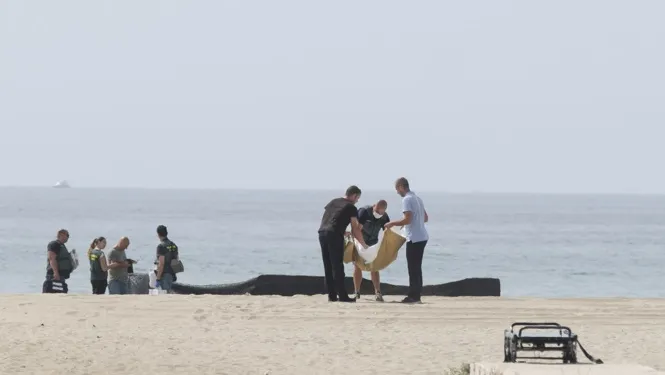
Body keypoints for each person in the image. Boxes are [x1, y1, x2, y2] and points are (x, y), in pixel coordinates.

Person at [318, 185, 369, 303]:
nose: (357, 201)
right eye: (357, 198)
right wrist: (363, 244)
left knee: (328, 265)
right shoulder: (351, 207)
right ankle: (342, 296)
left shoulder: (333, 202)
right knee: (337, 266)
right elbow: (355, 228)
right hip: (334, 235)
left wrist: (341, 231)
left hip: (322, 233)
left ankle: (331, 295)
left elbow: (330, 219)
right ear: (354, 195)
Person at [385, 177, 429, 303]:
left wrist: (392, 223)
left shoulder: (407, 199)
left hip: (414, 238)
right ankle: (417, 294)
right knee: (417, 266)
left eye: (397, 189)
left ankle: (413, 296)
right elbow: (425, 218)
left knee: (413, 267)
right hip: (422, 236)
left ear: (401, 187)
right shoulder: (418, 198)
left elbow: (408, 219)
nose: (397, 192)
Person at [352, 200, 390, 302]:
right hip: (360, 240)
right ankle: (357, 292)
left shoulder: (384, 216)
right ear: (374, 206)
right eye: (376, 211)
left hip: (373, 241)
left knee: (375, 267)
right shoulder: (364, 212)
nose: (377, 214)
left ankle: (378, 292)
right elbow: (356, 229)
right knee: (357, 265)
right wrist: (362, 244)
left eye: (380, 212)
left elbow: (387, 231)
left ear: (384, 211)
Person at [43, 229, 73, 294]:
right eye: (67, 235)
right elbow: (51, 258)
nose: (68, 237)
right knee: (51, 292)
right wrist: (55, 273)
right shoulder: (54, 244)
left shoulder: (62, 245)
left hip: (61, 275)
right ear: (61, 235)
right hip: (54, 275)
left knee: (61, 292)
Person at [155, 225, 179, 293]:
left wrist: (158, 278)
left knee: (165, 294)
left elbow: (161, 264)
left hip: (164, 274)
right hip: (172, 274)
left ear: (158, 234)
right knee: (169, 292)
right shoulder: (173, 245)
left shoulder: (161, 246)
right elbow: (176, 260)